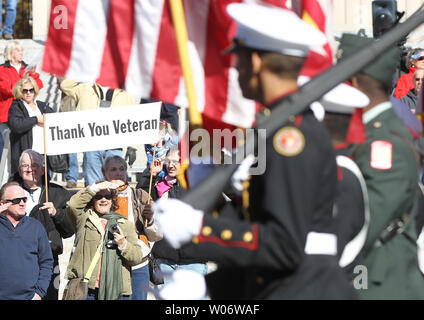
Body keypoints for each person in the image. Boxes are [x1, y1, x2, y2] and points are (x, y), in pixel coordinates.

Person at [153, 3, 356, 299]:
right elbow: (261, 227)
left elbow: (284, 246)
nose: (235, 69)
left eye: (240, 59)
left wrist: (200, 228)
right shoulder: (276, 126)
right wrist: (211, 287)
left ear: (257, 62)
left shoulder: (289, 137)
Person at [338, 33, 424, 299]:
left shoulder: (385, 145)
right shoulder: (366, 133)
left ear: (351, 82)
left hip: (381, 286)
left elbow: (362, 226)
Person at [138, 147, 208, 289]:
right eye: (168, 161)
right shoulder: (159, 185)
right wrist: (150, 175)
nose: (171, 165)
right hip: (164, 260)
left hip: (192, 262)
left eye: (176, 162)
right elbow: (140, 198)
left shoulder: (196, 185)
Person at [10, 149, 74, 299]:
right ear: (19, 170)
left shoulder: (59, 193)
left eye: (35, 165)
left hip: (48, 259)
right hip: (17, 258)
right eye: (25, 165)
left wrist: (56, 213)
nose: (30, 169)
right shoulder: (9, 192)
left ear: (43, 169)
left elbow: (69, 230)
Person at [66, 180, 143, 300]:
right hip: (87, 290)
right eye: (98, 196)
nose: (103, 200)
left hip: (117, 291)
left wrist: (124, 245)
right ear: (92, 200)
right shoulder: (84, 219)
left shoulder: (125, 224)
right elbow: (72, 205)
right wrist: (95, 188)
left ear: (112, 200)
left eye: (108, 196)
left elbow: (137, 257)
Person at [101, 155, 163, 300]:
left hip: (138, 264)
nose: (118, 173)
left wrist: (151, 220)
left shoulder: (141, 196)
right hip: (109, 262)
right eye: (113, 169)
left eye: (122, 169)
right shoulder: (99, 197)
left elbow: (157, 236)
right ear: (104, 173)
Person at [59, 79, 136, 186]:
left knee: (116, 182)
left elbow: (134, 119)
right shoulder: (85, 88)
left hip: (115, 143)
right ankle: (95, 202)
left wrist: (132, 146)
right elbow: (65, 85)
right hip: (92, 143)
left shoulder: (125, 94)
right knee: (93, 183)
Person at [0, 181, 53, 300]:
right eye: (16, 200)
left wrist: (39, 293)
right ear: (3, 204)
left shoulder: (36, 227)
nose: (22, 203)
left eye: (24, 199)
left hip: (29, 297)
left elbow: (46, 262)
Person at [0, 41, 44, 176]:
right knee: (5, 153)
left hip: (26, 115)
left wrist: (34, 75)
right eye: (18, 50)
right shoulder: (3, 69)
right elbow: (7, 89)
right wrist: (24, 78)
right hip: (7, 116)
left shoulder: (26, 68)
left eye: (21, 50)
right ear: (11, 53)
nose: (21, 53)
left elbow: (38, 86)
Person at [7, 77, 53, 176]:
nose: (28, 93)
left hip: (44, 152)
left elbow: (55, 119)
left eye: (31, 90)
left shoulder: (42, 106)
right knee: (28, 182)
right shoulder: (16, 106)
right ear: (20, 92)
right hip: (28, 154)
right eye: (25, 90)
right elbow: (16, 125)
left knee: (46, 184)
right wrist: (36, 119)